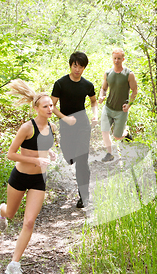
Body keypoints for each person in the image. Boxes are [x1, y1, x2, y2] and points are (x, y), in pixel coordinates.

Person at [0, 79, 57, 274]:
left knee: (29, 222)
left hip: (39, 180)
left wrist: (50, 153)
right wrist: (36, 158)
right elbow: (11, 154)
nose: (50, 109)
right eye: (46, 106)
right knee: (11, 214)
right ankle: (2, 210)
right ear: (36, 108)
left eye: (51, 105)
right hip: (20, 177)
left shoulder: (52, 127)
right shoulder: (26, 128)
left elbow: (43, 147)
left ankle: (14, 263)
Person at [51, 51, 98, 208]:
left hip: (83, 125)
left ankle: (84, 196)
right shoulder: (60, 84)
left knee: (82, 161)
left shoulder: (87, 85)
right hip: (65, 125)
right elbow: (52, 106)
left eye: (81, 66)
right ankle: (73, 158)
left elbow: (93, 102)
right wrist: (64, 118)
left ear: (84, 68)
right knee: (69, 156)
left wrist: (95, 115)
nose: (77, 69)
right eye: (75, 66)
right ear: (71, 65)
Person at [98, 48, 138, 162]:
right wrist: (102, 96)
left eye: (119, 58)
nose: (116, 60)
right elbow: (103, 88)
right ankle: (109, 154)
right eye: (114, 58)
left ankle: (126, 133)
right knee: (104, 131)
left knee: (117, 136)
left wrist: (129, 104)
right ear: (112, 58)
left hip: (121, 110)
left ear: (123, 59)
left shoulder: (128, 74)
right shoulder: (108, 73)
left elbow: (135, 90)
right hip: (108, 108)